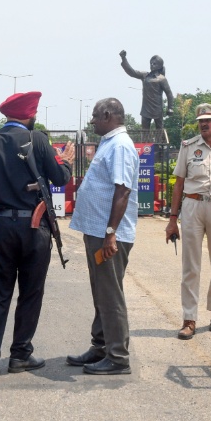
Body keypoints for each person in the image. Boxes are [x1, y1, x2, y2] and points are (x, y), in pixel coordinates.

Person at [0, 91, 75, 378]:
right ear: (31, 115)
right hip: (33, 228)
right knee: (30, 292)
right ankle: (20, 355)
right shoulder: (39, 140)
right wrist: (66, 162)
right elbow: (60, 178)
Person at [67, 97, 140, 375]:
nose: (93, 121)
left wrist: (111, 233)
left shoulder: (120, 146)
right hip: (98, 230)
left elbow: (122, 192)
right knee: (101, 291)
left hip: (109, 234)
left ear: (108, 115)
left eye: (95, 117)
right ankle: (100, 346)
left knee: (110, 295)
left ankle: (118, 357)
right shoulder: (110, 142)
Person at [165, 103, 211, 339]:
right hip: (193, 207)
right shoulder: (188, 147)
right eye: (201, 121)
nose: (204, 124)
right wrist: (172, 219)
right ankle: (189, 319)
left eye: (208, 120)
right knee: (191, 266)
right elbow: (178, 184)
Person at [120, 50, 175, 130]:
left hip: (157, 109)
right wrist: (124, 59)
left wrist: (170, 107)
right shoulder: (144, 75)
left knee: (159, 132)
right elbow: (132, 72)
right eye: (151, 63)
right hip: (146, 109)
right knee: (145, 132)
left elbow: (169, 94)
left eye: (154, 64)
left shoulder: (162, 79)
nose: (152, 65)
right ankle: (146, 143)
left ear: (159, 66)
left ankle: (159, 143)